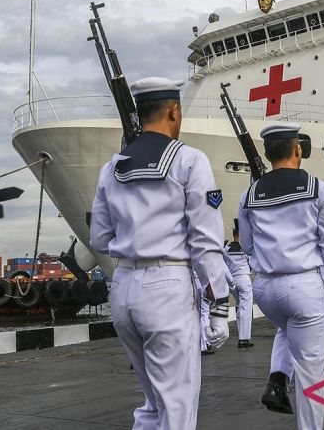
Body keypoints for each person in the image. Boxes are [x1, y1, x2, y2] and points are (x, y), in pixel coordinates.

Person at [90, 77, 230, 430]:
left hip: (123, 289)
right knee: (178, 409)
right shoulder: (189, 161)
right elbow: (205, 242)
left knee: (153, 405)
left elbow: (100, 237)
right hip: (167, 287)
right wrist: (220, 303)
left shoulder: (113, 167)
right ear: (174, 110)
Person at [239, 123, 324, 429]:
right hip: (304, 286)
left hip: (265, 289)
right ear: (298, 149)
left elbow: (247, 245)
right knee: (311, 374)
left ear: (266, 152)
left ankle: (277, 378)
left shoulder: (249, 194)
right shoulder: (320, 189)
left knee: (287, 330)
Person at [223, 221, 254, 348]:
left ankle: (241, 335)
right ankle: (244, 338)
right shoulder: (245, 248)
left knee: (239, 306)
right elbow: (251, 262)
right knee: (246, 308)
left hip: (232, 279)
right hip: (244, 279)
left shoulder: (226, 249)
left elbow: (223, 263)